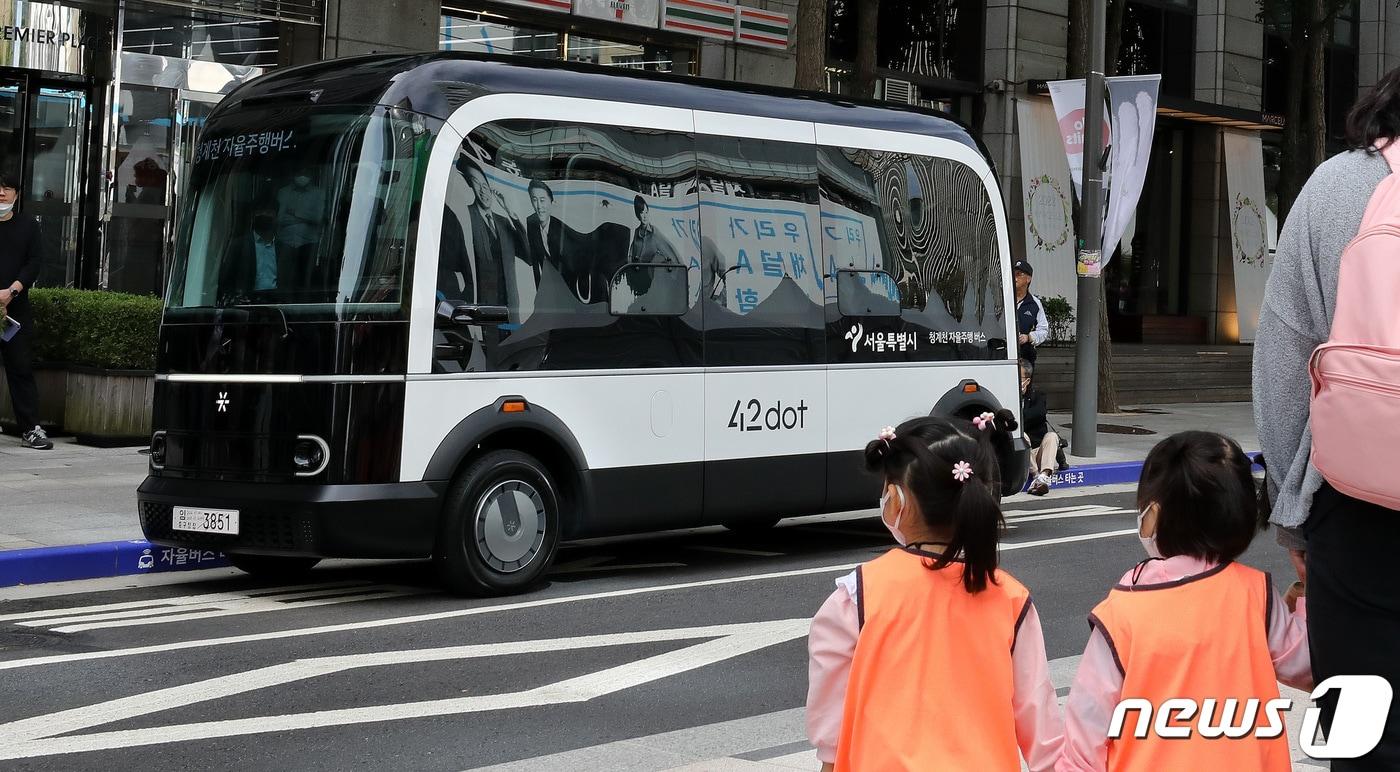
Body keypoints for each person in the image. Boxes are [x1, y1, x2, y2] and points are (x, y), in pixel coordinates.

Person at [1254, 67, 1400, 769]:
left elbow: (1284, 360)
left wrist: (1294, 511)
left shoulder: (1337, 185)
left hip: (1354, 500)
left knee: (1359, 735)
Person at [807, 411, 1063, 771]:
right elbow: (1043, 730)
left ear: (897, 499)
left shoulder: (857, 595)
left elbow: (831, 731)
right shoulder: (1011, 599)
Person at [1058, 431, 1311, 771]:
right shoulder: (1256, 596)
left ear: (1155, 514)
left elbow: (1084, 737)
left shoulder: (1122, 613)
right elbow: (1309, 665)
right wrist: (1305, 593)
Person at [0, 171, 50, 450]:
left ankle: (31, 429)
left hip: (14, 312)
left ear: (17, 194)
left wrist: (11, 291)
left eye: (7, 188)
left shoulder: (28, 225)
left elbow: (34, 262)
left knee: (20, 369)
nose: (2, 193)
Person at [461, 157, 525, 306]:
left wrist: (510, 212)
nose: (483, 191)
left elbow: (528, 255)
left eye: (485, 185)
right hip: (480, 310)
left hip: (510, 308)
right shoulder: (466, 215)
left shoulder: (503, 221)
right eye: (476, 184)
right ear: (470, 185)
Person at [218, 210, 287, 303]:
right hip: (248, 305)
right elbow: (227, 280)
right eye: (261, 211)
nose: (265, 214)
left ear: (276, 217)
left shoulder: (284, 248)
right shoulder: (239, 245)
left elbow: (289, 282)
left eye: (269, 211)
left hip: (278, 304)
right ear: (253, 216)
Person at [1020, 358, 1066, 496]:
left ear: (1027, 381)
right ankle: (1037, 477)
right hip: (1020, 453)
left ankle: (1043, 475)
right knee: (1022, 436)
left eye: (1019, 377)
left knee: (1052, 436)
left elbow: (1037, 414)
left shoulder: (1038, 395)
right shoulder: (1007, 395)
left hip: (1037, 450)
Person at [524, 179, 574, 287]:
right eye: (534, 200)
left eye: (542, 200)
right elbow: (535, 260)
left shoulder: (561, 229)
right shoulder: (531, 222)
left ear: (551, 201)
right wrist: (540, 290)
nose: (538, 206)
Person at [1013, 259, 1049, 364]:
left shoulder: (1035, 304)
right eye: (1013, 274)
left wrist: (1029, 337)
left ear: (1028, 279)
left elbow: (1043, 330)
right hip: (1002, 356)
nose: (1015, 278)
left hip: (1025, 358)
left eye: (1019, 274)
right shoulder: (1003, 300)